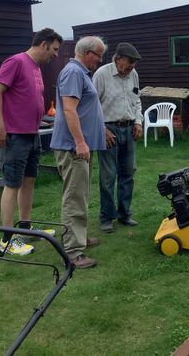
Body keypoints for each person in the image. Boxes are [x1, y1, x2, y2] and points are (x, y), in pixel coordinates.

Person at [0, 28, 63, 256]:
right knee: (12, 184)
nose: (56, 55)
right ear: (44, 44)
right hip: (14, 135)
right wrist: (0, 126)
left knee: (29, 181)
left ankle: (26, 229)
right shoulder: (16, 62)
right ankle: (7, 240)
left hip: (32, 134)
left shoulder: (36, 68)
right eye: (55, 49)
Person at [50, 36, 106, 269]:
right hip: (73, 147)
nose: (100, 60)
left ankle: (78, 239)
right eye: (98, 55)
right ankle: (73, 252)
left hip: (79, 147)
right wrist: (80, 143)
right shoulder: (73, 72)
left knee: (80, 195)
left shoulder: (81, 73)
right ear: (86, 52)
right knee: (74, 197)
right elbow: (69, 110)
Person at [93, 42, 143, 233]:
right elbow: (92, 105)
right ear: (118, 58)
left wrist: (138, 122)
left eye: (135, 63)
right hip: (109, 130)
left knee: (128, 173)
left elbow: (137, 99)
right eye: (130, 62)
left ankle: (124, 214)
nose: (132, 66)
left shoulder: (133, 75)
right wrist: (101, 130)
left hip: (129, 129)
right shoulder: (102, 75)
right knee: (108, 176)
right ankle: (106, 217)